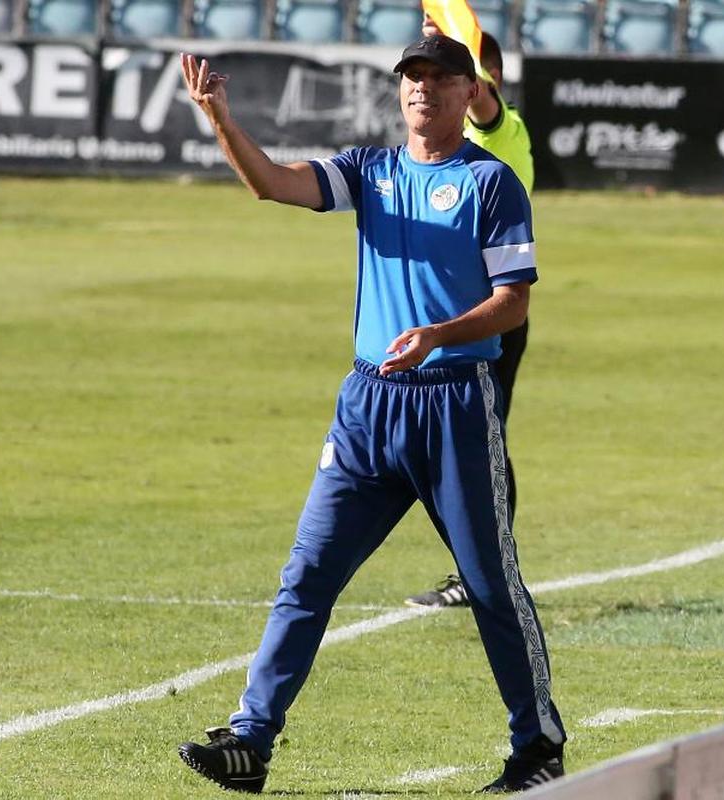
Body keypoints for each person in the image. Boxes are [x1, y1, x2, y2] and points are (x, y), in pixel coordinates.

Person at [175, 34, 566, 795]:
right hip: (368, 408)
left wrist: (439, 336)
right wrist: (222, 120)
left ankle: (537, 746)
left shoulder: (491, 184)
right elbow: (274, 185)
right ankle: (252, 740)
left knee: (489, 585)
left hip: (453, 401)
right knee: (307, 575)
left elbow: (513, 303)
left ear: (465, 92)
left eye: (439, 79)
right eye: (412, 78)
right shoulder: (371, 171)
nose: (423, 90)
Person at [406, 23, 536, 609]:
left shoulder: (501, 127)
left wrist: (460, 32)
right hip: (441, 315)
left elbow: (481, 98)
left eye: (449, 75)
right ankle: (479, 567)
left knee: (479, 447)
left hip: (489, 316)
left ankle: (484, 570)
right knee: (448, 447)